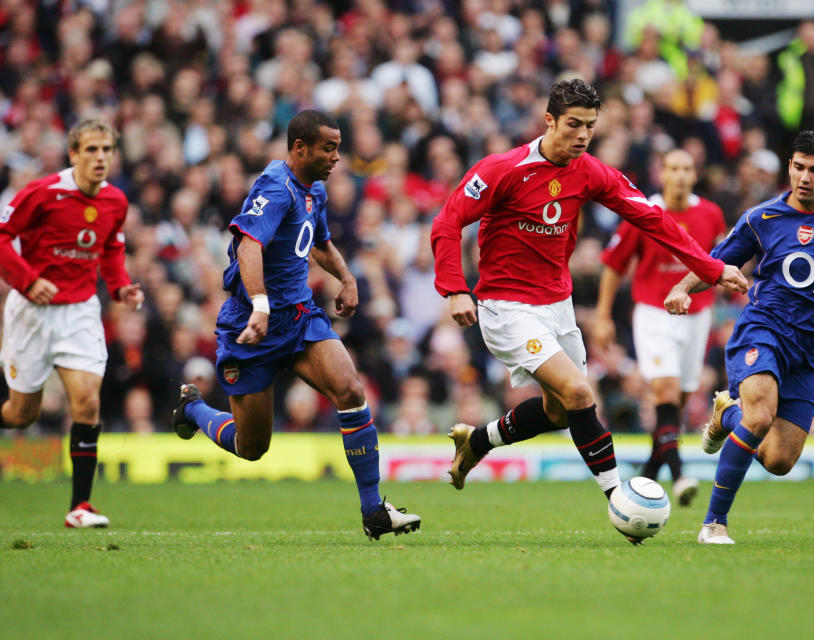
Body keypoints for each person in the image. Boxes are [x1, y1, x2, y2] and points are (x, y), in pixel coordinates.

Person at [430, 79, 747, 539]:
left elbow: (653, 218)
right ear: (549, 121)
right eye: (573, 124)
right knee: (580, 393)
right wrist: (454, 288)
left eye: (591, 127)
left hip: (557, 306)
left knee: (560, 412)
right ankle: (622, 501)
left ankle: (477, 441)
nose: (582, 135)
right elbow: (447, 221)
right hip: (506, 306)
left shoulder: (591, 171)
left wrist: (710, 267)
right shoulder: (502, 169)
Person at [170, 110, 420, 541]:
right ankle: (193, 408)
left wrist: (347, 277)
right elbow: (249, 246)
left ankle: (373, 510)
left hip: (301, 319)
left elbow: (318, 243)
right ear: (300, 148)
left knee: (351, 391)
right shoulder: (275, 186)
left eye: (338, 148)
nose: (337, 157)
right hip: (252, 326)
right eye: (328, 148)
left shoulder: (314, 190)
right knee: (252, 448)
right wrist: (262, 307)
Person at [665, 130, 814, 544]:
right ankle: (713, 524)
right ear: (790, 167)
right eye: (799, 167)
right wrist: (681, 288)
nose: (805, 177)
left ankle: (725, 415)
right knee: (761, 415)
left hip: (813, 348)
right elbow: (714, 262)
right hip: (763, 330)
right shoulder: (760, 217)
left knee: (779, 459)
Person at [0, 118, 145, 528]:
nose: (101, 158)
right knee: (21, 413)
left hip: (79, 312)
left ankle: (80, 506)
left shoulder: (116, 201)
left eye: (107, 150)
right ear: (73, 154)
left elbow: (111, 250)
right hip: (31, 312)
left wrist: (120, 289)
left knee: (87, 401)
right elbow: (2, 236)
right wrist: (28, 281)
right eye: (92, 150)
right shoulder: (42, 194)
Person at [593, 148, 727, 507]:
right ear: (662, 173)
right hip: (653, 313)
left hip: (698, 315)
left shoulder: (711, 214)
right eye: (673, 168)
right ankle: (680, 475)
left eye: (687, 168)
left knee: (678, 403)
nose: (680, 175)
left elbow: (719, 261)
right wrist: (603, 315)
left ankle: (647, 478)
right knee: (665, 391)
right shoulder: (643, 212)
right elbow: (614, 265)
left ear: (694, 175)